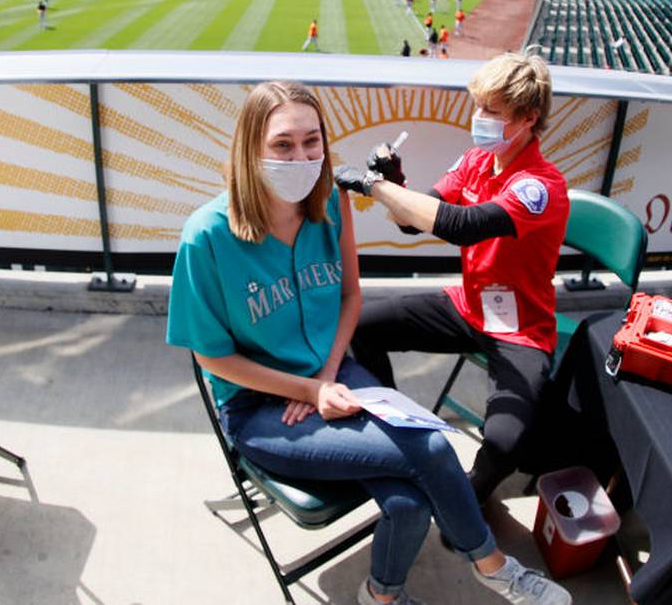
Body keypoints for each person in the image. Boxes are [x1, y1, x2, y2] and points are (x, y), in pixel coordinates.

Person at [170, 81, 571, 605]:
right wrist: (309, 390)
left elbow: (350, 297)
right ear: (251, 148)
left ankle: (381, 597)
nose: (302, 155)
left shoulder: (331, 203)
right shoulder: (205, 235)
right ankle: (493, 567)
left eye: (312, 142)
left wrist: (327, 374)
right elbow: (211, 356)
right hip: (256, 406)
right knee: (431, 446)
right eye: (283, 145)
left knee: (408, 502)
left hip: (331, 374)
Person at [347, 53, 569, 506]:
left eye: (493, 111)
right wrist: (395, 179)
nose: (479, 118)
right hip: (468, 305)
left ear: (528, 118)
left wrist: (374, 187)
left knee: (505, 442)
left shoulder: (541, 186)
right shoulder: (475, 161)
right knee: (361, 327)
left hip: (520, 330)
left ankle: (471, 494)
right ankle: (396, 433)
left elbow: (459, 225)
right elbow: (414, 222)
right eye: (479, 106)